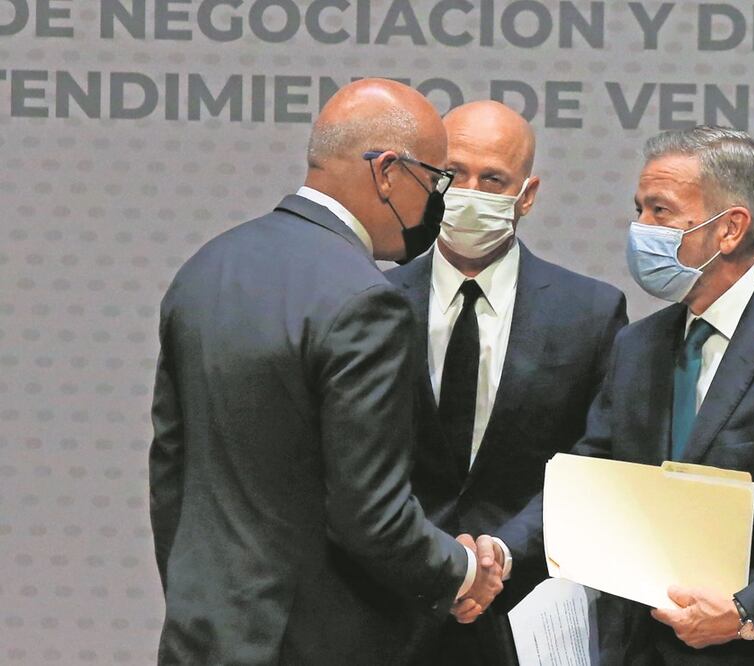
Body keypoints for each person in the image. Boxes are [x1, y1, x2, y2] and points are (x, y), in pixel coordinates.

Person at [500, 126, 754, 665]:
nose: (640, 229)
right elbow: (589, 480)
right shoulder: (637, 346)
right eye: (639, 209)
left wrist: (746, 613)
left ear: (730, 229)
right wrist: (498, 552)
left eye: (660, 211)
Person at [148, 79, 504, 665]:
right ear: (388, 171)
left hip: (201, 636)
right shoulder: (365, 299)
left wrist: (201, 600)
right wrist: (463, 571)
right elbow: (370, 517)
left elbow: (172, 472)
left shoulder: (206, 267)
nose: (438, 205)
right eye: (436, 181)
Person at [386, 100, 627, 664]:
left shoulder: (589, 313)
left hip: (524, 613)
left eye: (493, 178)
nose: (470, 191)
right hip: (390, 608)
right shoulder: (371, 303)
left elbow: (595, 460)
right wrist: (433, 563)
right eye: (455, 173)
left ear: (528, 193)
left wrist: (499, 554)